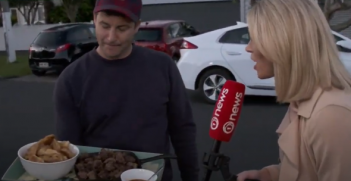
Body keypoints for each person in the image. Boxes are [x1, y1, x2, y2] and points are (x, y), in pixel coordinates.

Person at [53, 0, 199, 181]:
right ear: (94, 19)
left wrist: (191, 176)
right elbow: (69, 151)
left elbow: (182, 129)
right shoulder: (71, 79)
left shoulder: (163, 67)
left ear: (137, 26)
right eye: (104, 26)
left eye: (122, 29)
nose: (111, 37)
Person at [237, 0, 351, 181]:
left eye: (255, 38)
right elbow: (306, 169)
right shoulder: (304, 99)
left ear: (282, 42)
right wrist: (267, 175)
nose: (248, 47)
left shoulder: (331, 115)